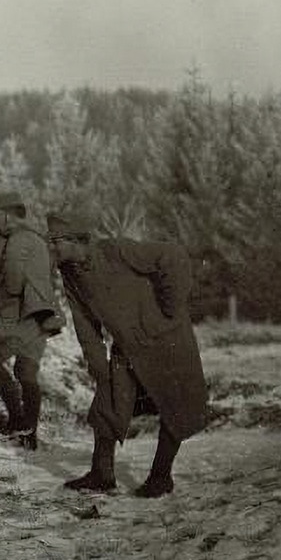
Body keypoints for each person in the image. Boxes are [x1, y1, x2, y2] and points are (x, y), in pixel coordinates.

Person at [47, 211, 209, 498]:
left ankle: (161, 477)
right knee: (108, 402)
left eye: (55, 241)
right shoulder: (70, 275)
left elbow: (172, 256)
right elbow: (84, 322)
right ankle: (102, 474)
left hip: (168, 340)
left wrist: (169, 308)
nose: (51, 247)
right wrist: (97, 363)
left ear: (74, 240)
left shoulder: (116, 251)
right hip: (128, 346)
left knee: (176, 405)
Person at [0, 191, 63, 450]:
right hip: (42, 315)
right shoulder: (36, 240)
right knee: (26, 370)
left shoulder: (16, 241)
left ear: (6, 216)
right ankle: (30, 433)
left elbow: (14, 283)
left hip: (19, 316)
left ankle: (17, 419)